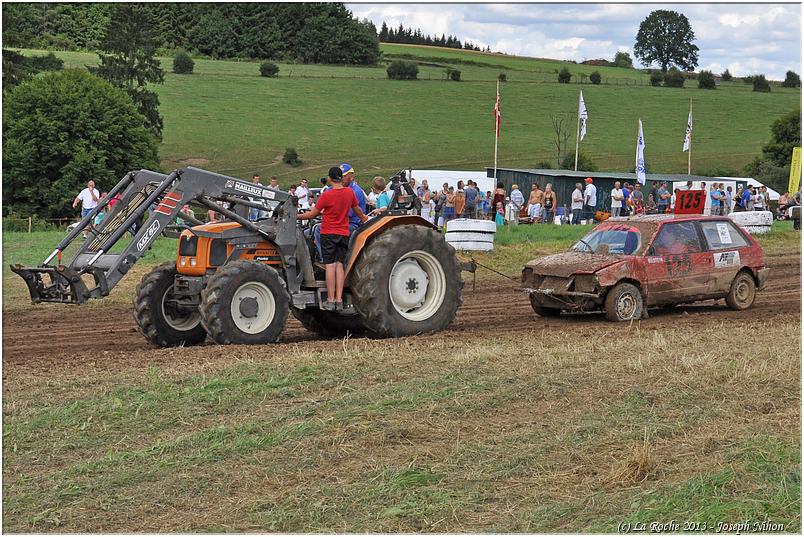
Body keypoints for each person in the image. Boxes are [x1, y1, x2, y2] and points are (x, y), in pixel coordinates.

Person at [298, 166, 368, 312]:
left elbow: (312, 215)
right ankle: (339, 299)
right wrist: (364, 218)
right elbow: (357, 210)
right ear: (341, 178)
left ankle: (330, 299)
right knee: (340, 266)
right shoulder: (349, 193)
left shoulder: (327, 195)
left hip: (328, 233)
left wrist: (296, 216)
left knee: (330, 266)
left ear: (329, 179)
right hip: (343, 233)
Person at [339, 163, 367, 233]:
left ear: (351, 176)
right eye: (340, 177)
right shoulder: (343, 188)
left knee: (321, 229)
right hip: (344, 222)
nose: (341, 179)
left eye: (344, 176)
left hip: (354, 224)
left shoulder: (355, 191)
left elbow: (346, 214)